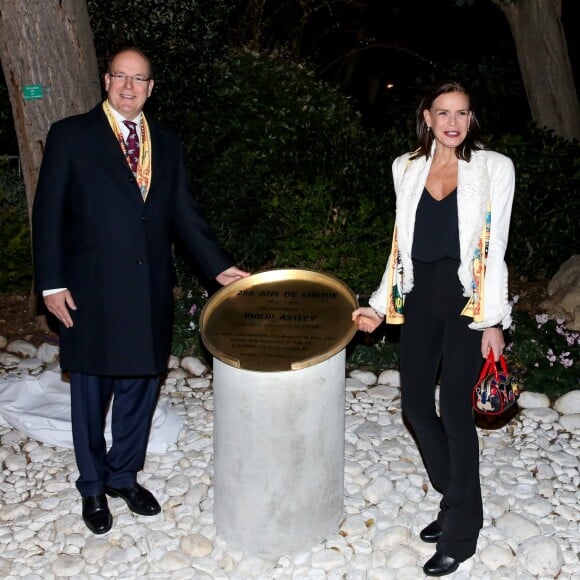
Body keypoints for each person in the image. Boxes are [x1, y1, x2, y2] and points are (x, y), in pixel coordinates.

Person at [32, 47, 249, 535]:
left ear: (151, 88)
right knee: (90, 391)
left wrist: (219, 268)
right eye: (120, 77)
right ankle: (91, 486)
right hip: (86, 289)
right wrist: (51, 282)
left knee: (140, 386)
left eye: (139, 80)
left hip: (149, 286)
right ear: (106, 81)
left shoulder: (167, 143)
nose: (129, 87)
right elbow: (47, 216)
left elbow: (183, 215)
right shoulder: (71, 135)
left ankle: (123, 475)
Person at [352, 80, 514, 576]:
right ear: (426, 116)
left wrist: (492, 320)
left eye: (461, 113)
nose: (452, 122)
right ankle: (459, 498)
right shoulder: (406, 167)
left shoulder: (493, 167)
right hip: (421, 297)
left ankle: (462, 532)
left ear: (471, 119)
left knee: (455, 414)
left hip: (466, 300)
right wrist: (380, 305)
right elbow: (398, 245)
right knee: (416, 407)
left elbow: (495, 247)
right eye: (442, 112)